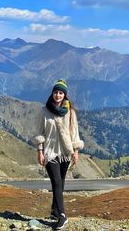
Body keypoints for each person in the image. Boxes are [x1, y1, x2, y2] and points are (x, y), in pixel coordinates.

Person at [34, 79, 84, 230]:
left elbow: (74, 133)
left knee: (61, 182)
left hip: (65, 152)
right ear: (52, 93)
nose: (58, 95)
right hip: (50, 152)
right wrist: (40, 151)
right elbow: (39, 133)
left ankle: (54, 210)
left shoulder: (70, 112)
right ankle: (62, 215)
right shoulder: (44, 111)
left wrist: (75, 151)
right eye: (56, 92)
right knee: (56, 182)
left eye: (61, 93)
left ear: (65, 95)